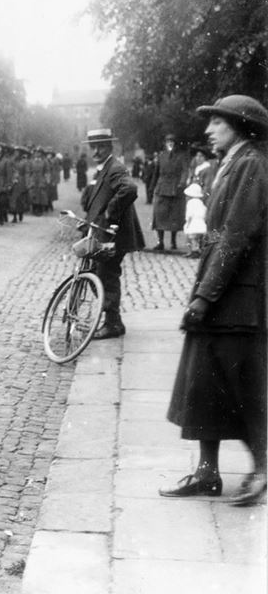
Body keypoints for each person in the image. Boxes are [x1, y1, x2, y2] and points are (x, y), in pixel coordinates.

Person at [161, 95, 268, 506]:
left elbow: (237, 236)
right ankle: (207, 474)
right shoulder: (232, 164)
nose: (208, 130)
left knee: (241, 387)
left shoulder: (251, 165)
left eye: (217, 123)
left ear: (240, 128)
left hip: (238, 301)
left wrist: (205, 295)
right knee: (203, 382)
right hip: (222, 296)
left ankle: (261, 469)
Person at [80, 127, 145, 339]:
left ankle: (113, 323)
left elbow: (130, 189)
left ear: (109, 147)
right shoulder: (102, 169)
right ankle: (111, 319)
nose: (96, 151)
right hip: (102, 233)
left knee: (107, 275)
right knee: (99, 274)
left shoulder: (115, 167)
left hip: (114, 234)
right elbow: (91, 201)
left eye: (100, 146)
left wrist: (110, 212)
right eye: (93, 147)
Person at [151, 133, 189, 252]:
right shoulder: (161, 156)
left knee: (174, 217)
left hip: (175, 188)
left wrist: (182, 183)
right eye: (168, 142)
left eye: (172, 142)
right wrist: (152, 186)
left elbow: (185, 171)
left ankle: (173, 241)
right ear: (165, 143)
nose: (170, 144)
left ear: (175, 144)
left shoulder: (181, 156)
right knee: (159, 215)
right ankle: (160, 242)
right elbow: (155, 173)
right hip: (161, 188)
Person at [182, 182, 206, 259]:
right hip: (201, 222)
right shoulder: (201, 202)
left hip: (193, 222)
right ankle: (197, 250)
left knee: (192, 238)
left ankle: (194, 251)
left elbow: (189, 214)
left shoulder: (190, 203)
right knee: (198, 238)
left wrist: (187, 223)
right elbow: (204, 211)